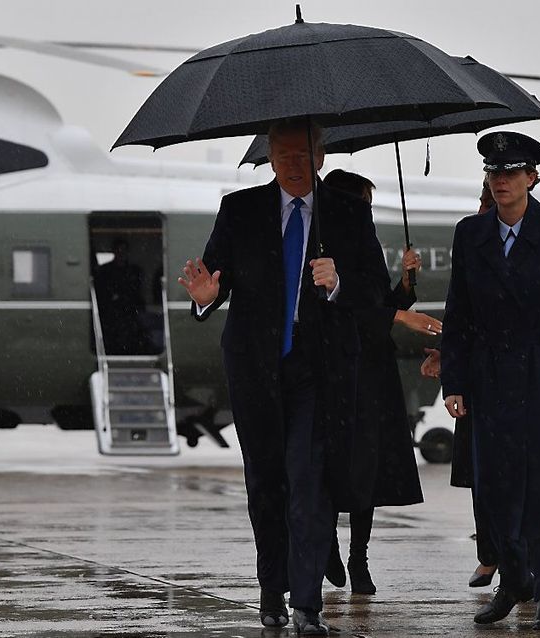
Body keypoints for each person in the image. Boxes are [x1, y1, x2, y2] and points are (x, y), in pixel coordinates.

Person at [178, 120, 389, 635]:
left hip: (318, 372)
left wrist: (338, 285)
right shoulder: (240, 209)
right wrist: (205, 301)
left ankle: (307, 604)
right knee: (266, 484)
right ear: (269, 157)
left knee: (308, 482)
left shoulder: (348, 214)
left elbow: (377, 295)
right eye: (282, 153)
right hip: (256, 369)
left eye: (302, 153)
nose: (292, 162)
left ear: (320, 157)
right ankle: (271, 589)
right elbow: (214, 281)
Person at [439, 131, 540, 631]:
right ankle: (514, 581)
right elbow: (459, 312)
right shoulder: (471, 234)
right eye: (494, 172)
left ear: (533, 177)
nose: (502, 180)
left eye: (512, 172)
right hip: (491, 381)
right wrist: (455, 381)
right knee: (495, 491)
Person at [320, 169, 437, 595]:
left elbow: (376, 304)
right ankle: (329, 544)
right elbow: (340, 311)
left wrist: (405, 285)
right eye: (363, 203)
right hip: (335, 370)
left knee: (367, 466)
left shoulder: (366, 247)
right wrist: (396, 314)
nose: (367, 212)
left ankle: (359, 556)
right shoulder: (321, 249)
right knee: (334, 463)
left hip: (371, 370)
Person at [422, 178, 500, 589]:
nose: (485, 210)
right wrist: (449, 364)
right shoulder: (470, 239)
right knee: (481, 475)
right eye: (484, 200)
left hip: (522, 378)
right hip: (477, 381)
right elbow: (459, 315)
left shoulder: (539, 237)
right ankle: (489, 554)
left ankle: (520, 561)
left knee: (522, 476)